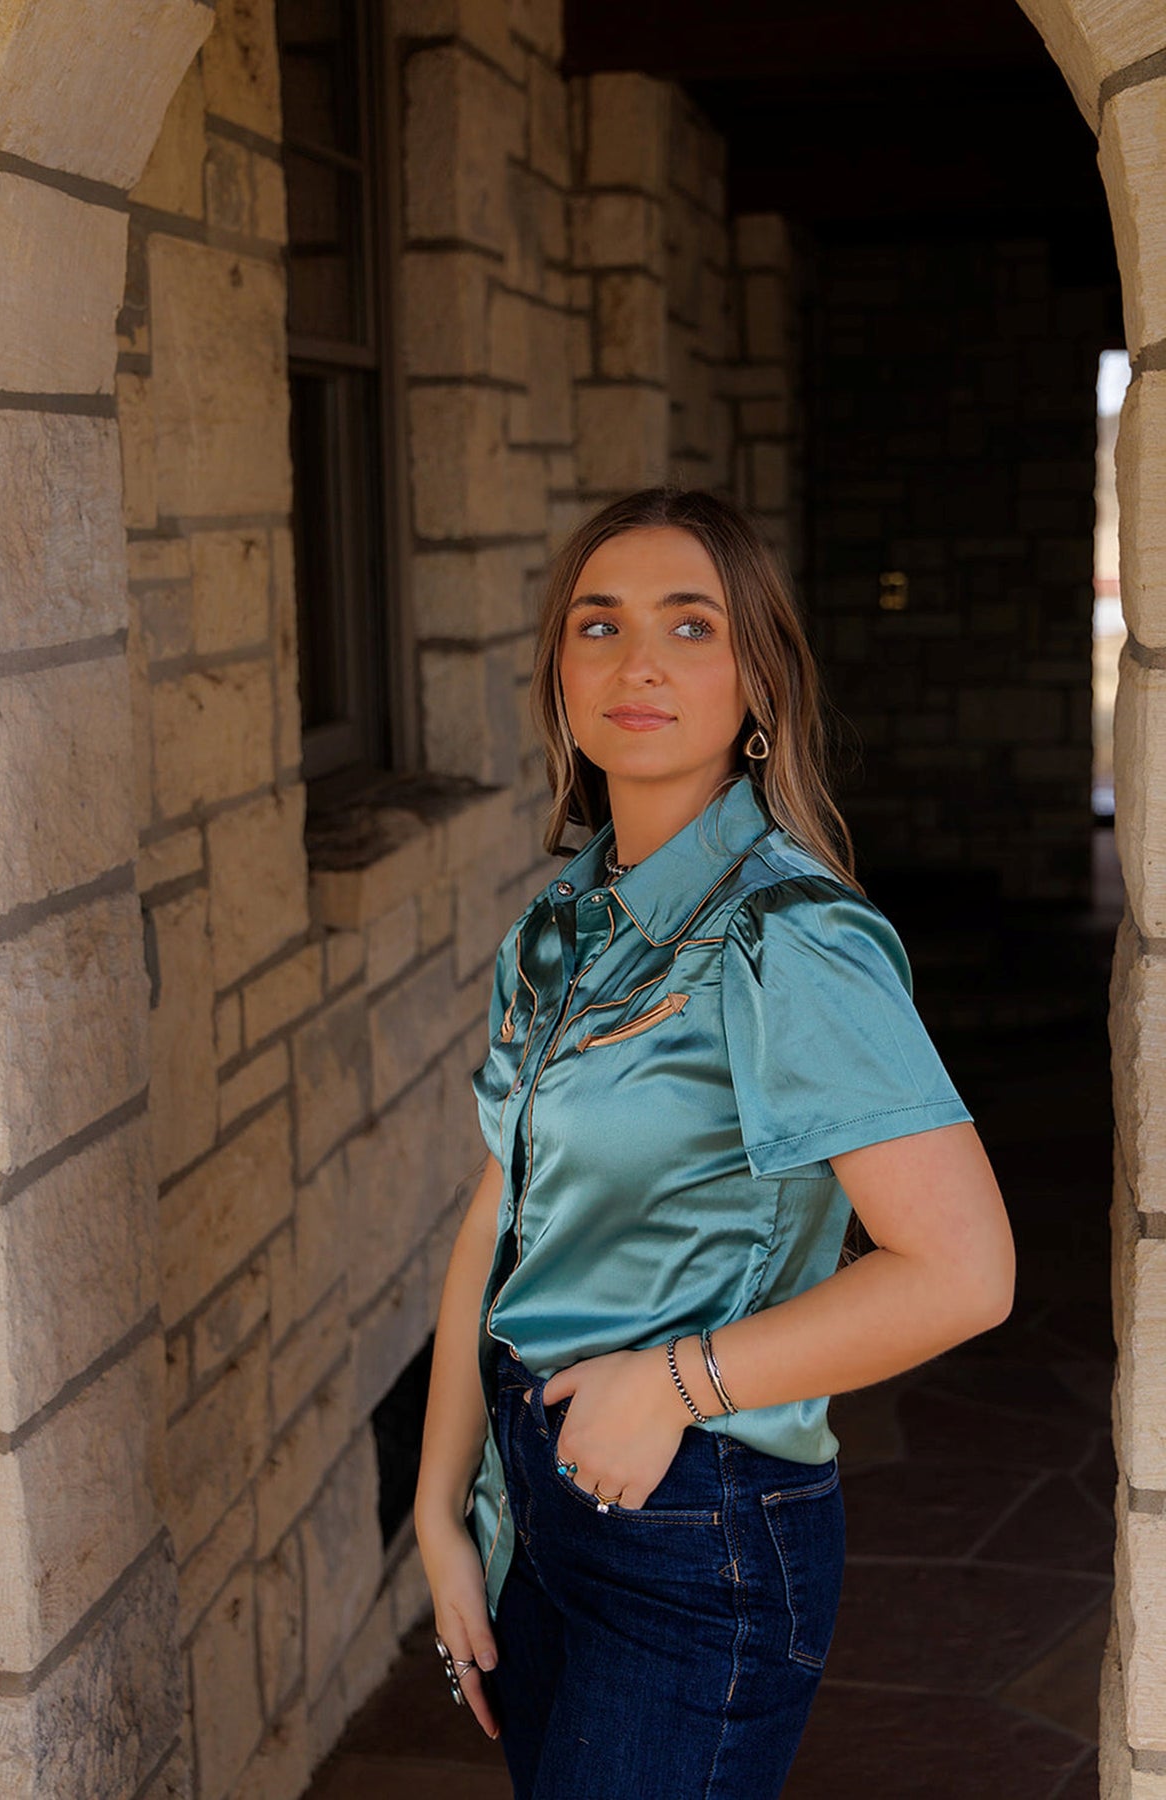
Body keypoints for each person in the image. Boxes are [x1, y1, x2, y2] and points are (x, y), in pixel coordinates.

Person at [415, 487, 1015, 1799]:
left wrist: (675, 1387)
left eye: (691, 626)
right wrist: (441, 1499)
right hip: (537, 1497)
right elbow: (499, 1208)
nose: (638, 662)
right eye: (599, 625)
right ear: (558, 675)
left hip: (696, 1523)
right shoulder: (561, 926)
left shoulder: (786, 935)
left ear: (757, 684)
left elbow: (964, 1271)